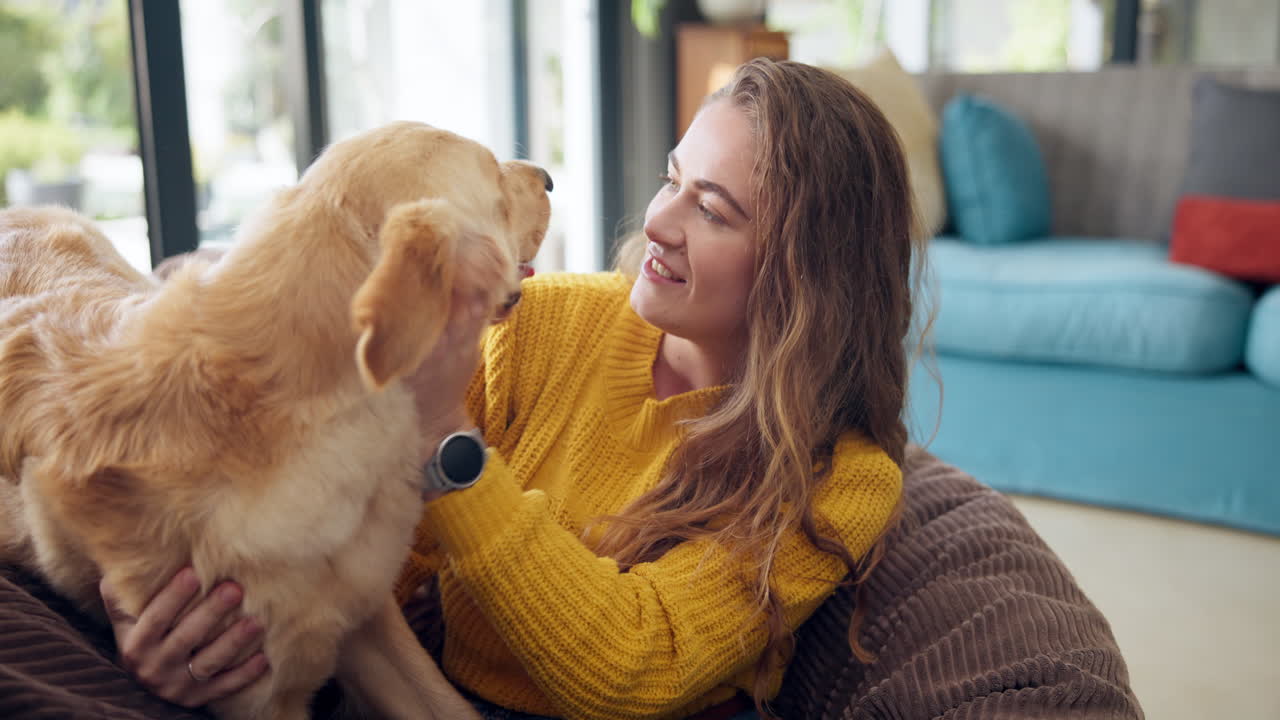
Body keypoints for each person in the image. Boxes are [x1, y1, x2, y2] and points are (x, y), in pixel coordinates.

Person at [99, 58, 928, 720]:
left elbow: (634, 666)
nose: (659, 221)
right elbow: (361, 570)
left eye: (711, 209)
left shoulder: (844, 481)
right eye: (671, 178)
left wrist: (444, 438)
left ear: (803, 275)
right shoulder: (540, 324)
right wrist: (195, 620)